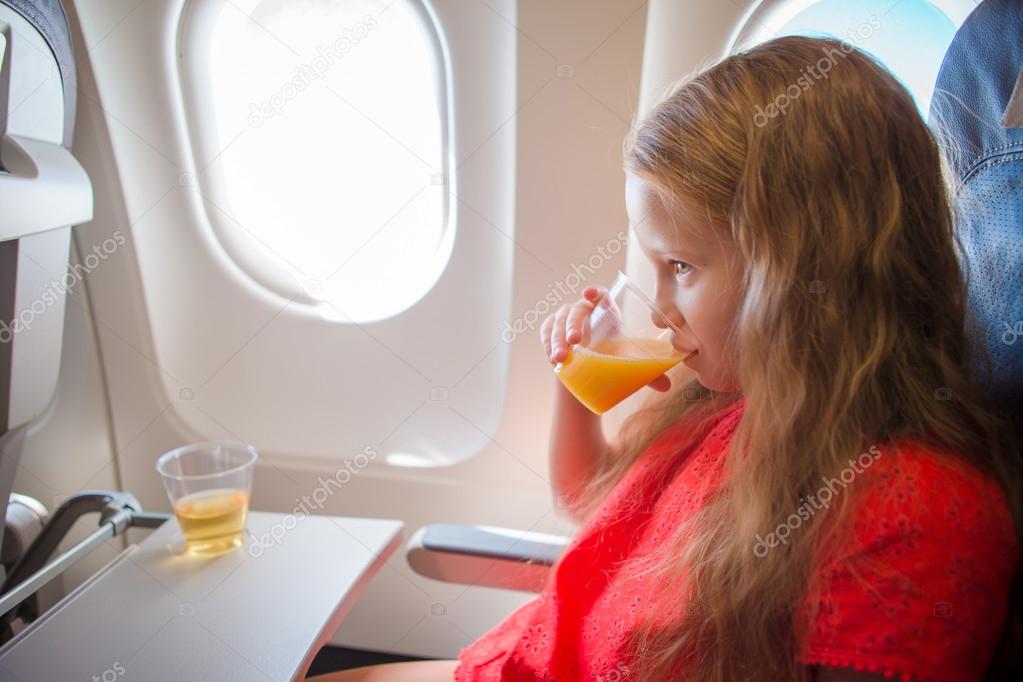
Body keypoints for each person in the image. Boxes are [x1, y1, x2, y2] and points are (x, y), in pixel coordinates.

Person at [307, 34, 1022, 682]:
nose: (658, 306)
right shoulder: (729, 408)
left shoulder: (913, 514)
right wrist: (574, 389)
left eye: (679, 265)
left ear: (796, 270)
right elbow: (589, 504)